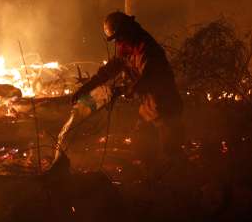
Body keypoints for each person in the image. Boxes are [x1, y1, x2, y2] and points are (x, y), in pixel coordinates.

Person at [72, 11, 184, 167]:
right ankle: (152, 181)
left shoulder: (146, 48)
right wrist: (86, 88)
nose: (117, 41)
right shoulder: (128, 47)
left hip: (166, 109)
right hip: (148, 109)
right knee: (142, 147)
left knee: (171, 155)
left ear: (126, 31)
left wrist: (123, 90)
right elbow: (109, 70)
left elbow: (146, 80)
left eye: (118, 37)